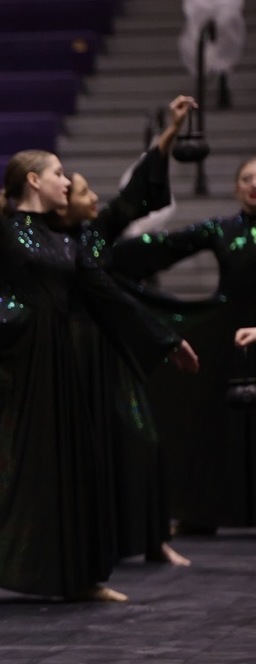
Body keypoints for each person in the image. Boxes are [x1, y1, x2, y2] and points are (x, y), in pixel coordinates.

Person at [0, 127, 200, 606]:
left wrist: (167, 339)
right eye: (58, 174)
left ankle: (82, 576)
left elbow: (111, 297)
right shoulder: (5, 229)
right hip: (11, 354)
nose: (66, 182)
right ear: (33, 181)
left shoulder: (68, 243)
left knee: (72, 464)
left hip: (57, 365)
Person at [62, 95, 197, 568]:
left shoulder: (96, 232)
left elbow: (135, 192)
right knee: (88, 452)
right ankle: (94, 542)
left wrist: (171, 131)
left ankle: (154, 539)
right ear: (63, 202)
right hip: (70, 357)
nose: (93, 199)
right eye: (83, 192)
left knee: (143, 439)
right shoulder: (48, 243)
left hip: (110, 351)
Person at [111, 155, 256, 532]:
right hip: (229, 335)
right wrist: (101, 252)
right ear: (236, 188)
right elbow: (164, 246)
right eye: (247, 178)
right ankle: (205, 510)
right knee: (215, 421)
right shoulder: (222, 228)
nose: (254, 184)